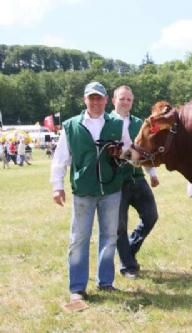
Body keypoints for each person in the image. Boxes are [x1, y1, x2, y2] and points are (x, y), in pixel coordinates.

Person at [50, 81, 124, 304]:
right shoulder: (71, 126)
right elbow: (60, 159)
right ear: (85, 100)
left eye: (99, 98)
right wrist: (57, 186)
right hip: (83, 190)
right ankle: (77, 287)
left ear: (105, 100)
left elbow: (128, 149)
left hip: (111, 188)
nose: (95, 102)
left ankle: (106, 281)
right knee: (79, 238)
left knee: (110, 236)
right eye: (91, 98)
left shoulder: (117, 123)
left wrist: (122, 155)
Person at [111, 85, 159, 279]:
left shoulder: (140, 123)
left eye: (129, 99)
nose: (125, 102)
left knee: (151, 216)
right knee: (120, 225)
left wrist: (152, 173)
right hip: (116, 181)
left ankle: (128, 251)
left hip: (137, 178)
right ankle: (128, 266)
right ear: (114, 100)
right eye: (122, 99)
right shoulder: (107, 122)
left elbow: (144, 150)